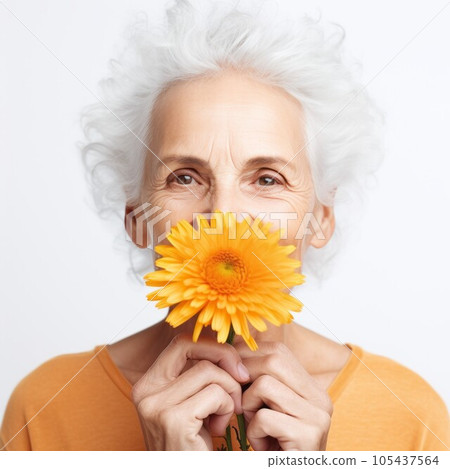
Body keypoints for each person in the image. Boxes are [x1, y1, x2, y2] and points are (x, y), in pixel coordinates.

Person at [1, 0, 449, 451]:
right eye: (185, 177)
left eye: (268, 178)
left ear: (321, 220)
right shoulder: (43, 408)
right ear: (136, 218)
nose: (225, 215)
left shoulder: (412, 416)